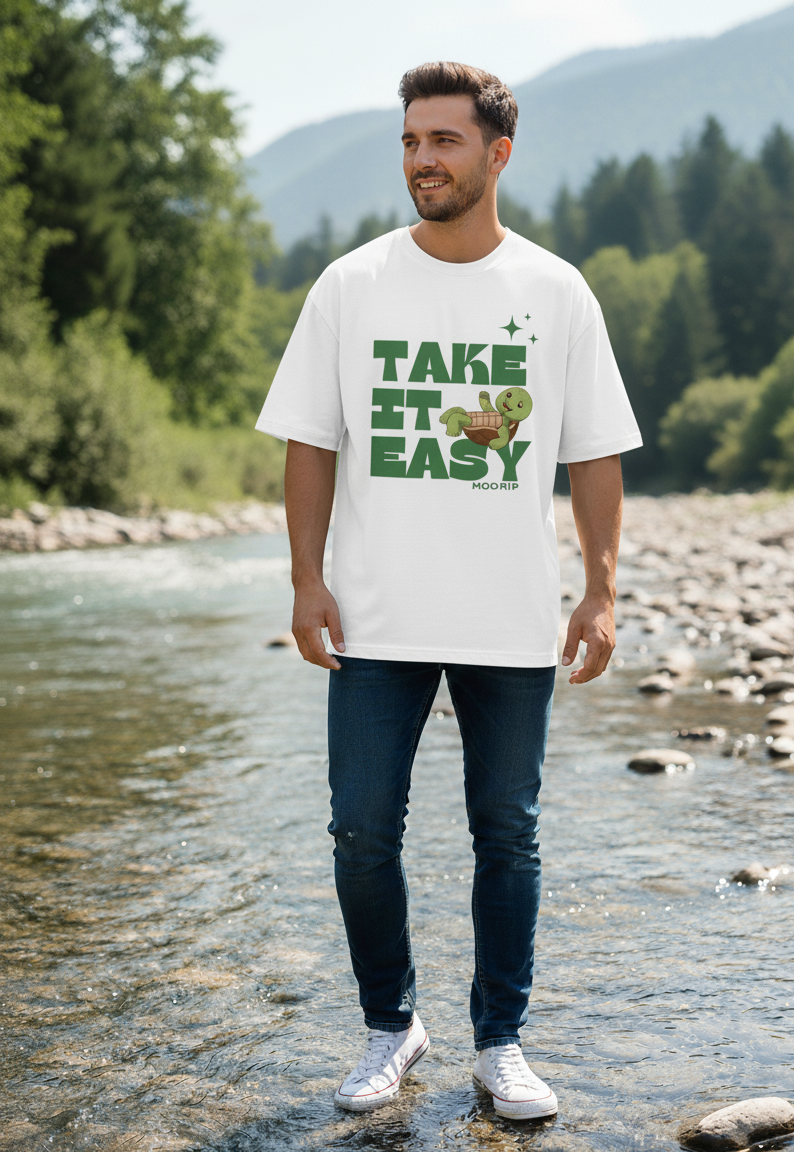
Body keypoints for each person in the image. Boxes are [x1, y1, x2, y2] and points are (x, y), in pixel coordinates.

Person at [255, 61, 641, 1120]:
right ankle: (392, 1025)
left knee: (504, 832)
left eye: (445, 141)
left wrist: (599, 592)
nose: (423, 159)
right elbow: (309, 440)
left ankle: (500, 1043)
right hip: (375, 615)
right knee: (361, 829)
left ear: (496, 153)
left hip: (510, 621)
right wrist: (305, 579)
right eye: (412, 142)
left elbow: (595, 454)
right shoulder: (352, 284)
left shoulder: (554, 290)